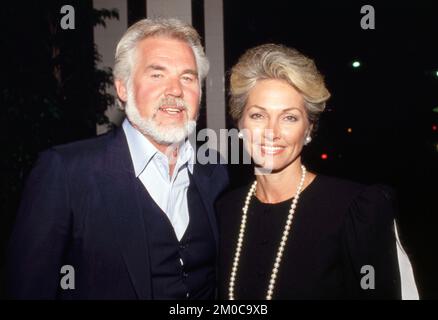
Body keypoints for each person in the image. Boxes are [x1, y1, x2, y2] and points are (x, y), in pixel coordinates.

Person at [6, 18, 228, 299]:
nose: (175, 90)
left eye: (187, 77)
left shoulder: (216, 171)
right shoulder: (66, 172)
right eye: (157, 74)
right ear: (123, 88)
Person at [217, 44, 418, 299]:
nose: (272, 132)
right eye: (258, 115)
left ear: (309, 129)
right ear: (240, 123)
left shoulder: (356, 211)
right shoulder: (225, 212)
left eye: (289, 117)